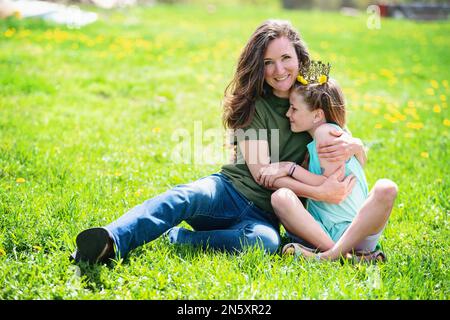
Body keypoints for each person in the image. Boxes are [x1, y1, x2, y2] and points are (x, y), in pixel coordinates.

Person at [71, 20, 365, 264]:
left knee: (264, 242)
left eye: (286, 58)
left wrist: (356, 146)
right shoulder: (253, 105)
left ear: (300, 58)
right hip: (228, 191)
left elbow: (344, 147)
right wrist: (321, 191)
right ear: (258, 67)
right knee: (183, 197)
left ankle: (182, 239)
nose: (279, 70)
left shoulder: (314, 99)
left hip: (266, 215)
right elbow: (264, 175)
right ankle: (110, 240)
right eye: (268, 62)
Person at [258, 62, 398, 261]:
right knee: (280, 196)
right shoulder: (325, 136)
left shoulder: (326, 134)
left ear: (317, 115)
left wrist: (289, 168)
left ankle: (330, 255)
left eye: (294, 108)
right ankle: (349, 257)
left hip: (346, 228)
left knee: (387, 188)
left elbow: (328, 185)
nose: (288, 114)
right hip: (351, 235)